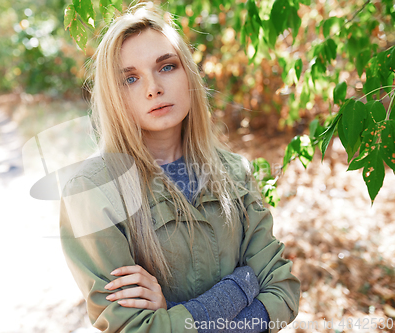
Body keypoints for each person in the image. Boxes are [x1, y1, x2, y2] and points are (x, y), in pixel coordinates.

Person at [59, 3, 300, 332]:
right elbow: (132, 326)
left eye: (167, 67)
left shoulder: (235, 170)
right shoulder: (92, 190)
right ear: (114, 95)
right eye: (130, 78)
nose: (153, 88)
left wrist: (175, 313)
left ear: (187, 72)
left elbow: (283, 291)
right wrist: (242, 287)